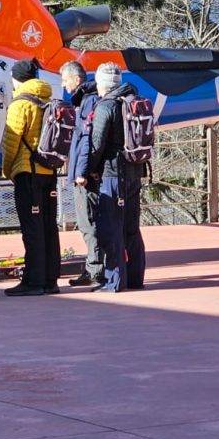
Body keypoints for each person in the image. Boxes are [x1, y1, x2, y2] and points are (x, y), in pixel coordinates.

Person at [75, 63, 144, 292]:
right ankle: (135, 278)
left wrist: (85, 172)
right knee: (131, 228)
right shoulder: (132, 99)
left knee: (111, 227)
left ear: (101, 84)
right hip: (135, 171)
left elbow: (96, 144)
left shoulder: (106, 106)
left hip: (113, 175)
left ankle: (114, 281)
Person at [0, 58, 60, 296]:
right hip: (50, 171)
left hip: (28, 171)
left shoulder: (20, 104)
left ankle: (33, 281)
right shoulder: (48, 100)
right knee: (48, 226)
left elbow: (11, 142)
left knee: (31, 227)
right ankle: (50, 279)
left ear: (17, 79)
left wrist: (8, 170)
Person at [60, 62, 103, 287]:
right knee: (90, 221)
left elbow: (85, 140)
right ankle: (93, 266)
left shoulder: (88, 102)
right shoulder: (88, 100)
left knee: (88, 222)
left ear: (76, 80)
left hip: (84, 176)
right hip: (88, 172)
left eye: (65, 80)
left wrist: (80, 172)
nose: (63, 85)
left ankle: (95, 269)